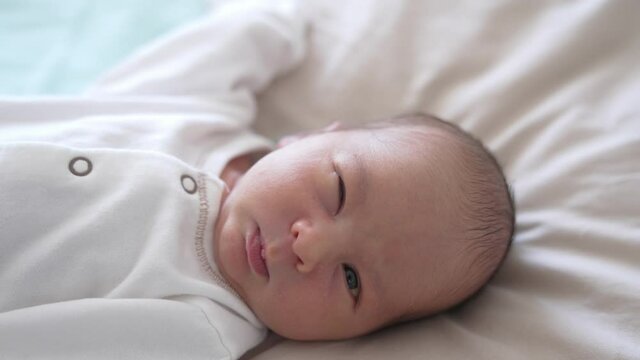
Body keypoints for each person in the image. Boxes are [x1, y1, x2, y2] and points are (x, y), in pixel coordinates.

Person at [0, 0, 513, 358]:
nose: (309, 246)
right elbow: (251, 27)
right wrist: (283, 23)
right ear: (308, 136)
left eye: (352, 279)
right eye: (337, 191)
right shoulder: (196, 110)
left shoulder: (199, 329)